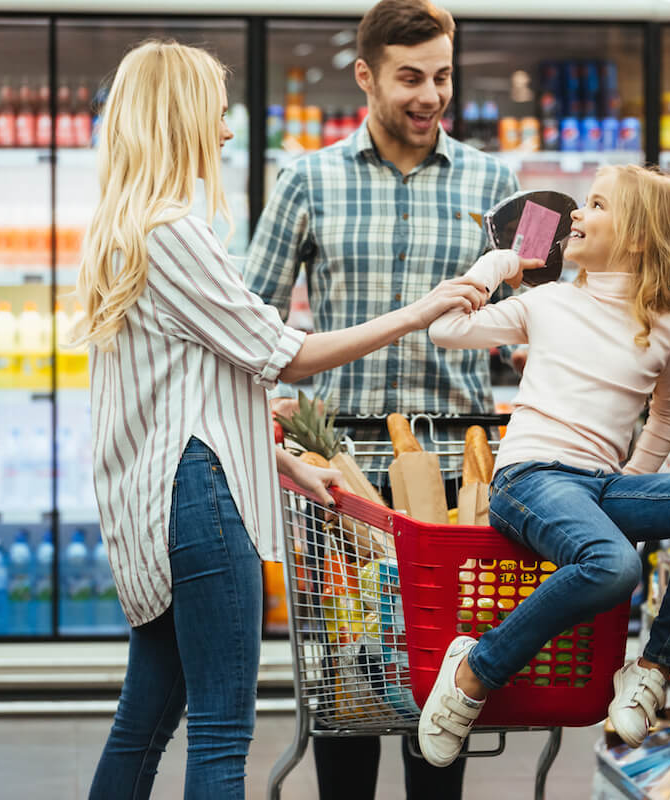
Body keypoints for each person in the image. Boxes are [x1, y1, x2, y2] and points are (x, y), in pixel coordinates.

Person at [76, 40, 489, 800]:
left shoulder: (123, 234)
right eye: (216, 111)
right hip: (199, 504)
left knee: (146, 720)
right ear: (179, 118)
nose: (228, 131)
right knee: (222, 731)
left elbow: (190, 391)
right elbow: (282, 353)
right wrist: (420, 311)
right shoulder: (175, 232)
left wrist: (285, 460)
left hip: (160, 500)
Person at [244, 1, 521, 796]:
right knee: (347, 689)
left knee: (445, 684)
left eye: (441, 77)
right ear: (365, 75)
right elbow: (252, 324)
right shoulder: (308, 179)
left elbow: (517, 319)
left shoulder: (492, 182)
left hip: (454, 472)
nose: (429, 96)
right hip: (340, 474)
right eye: (409, 79)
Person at [422, 165, 670, 766]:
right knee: (613, 566)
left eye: (595, 204)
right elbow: (445, 328)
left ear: (636, 238)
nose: (575, 213)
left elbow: (667, 414)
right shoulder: (548, 302)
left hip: (602, 486)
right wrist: (496, 267)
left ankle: (652, 668)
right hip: (530, 479)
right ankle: (476, 669)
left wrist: (634, 479)